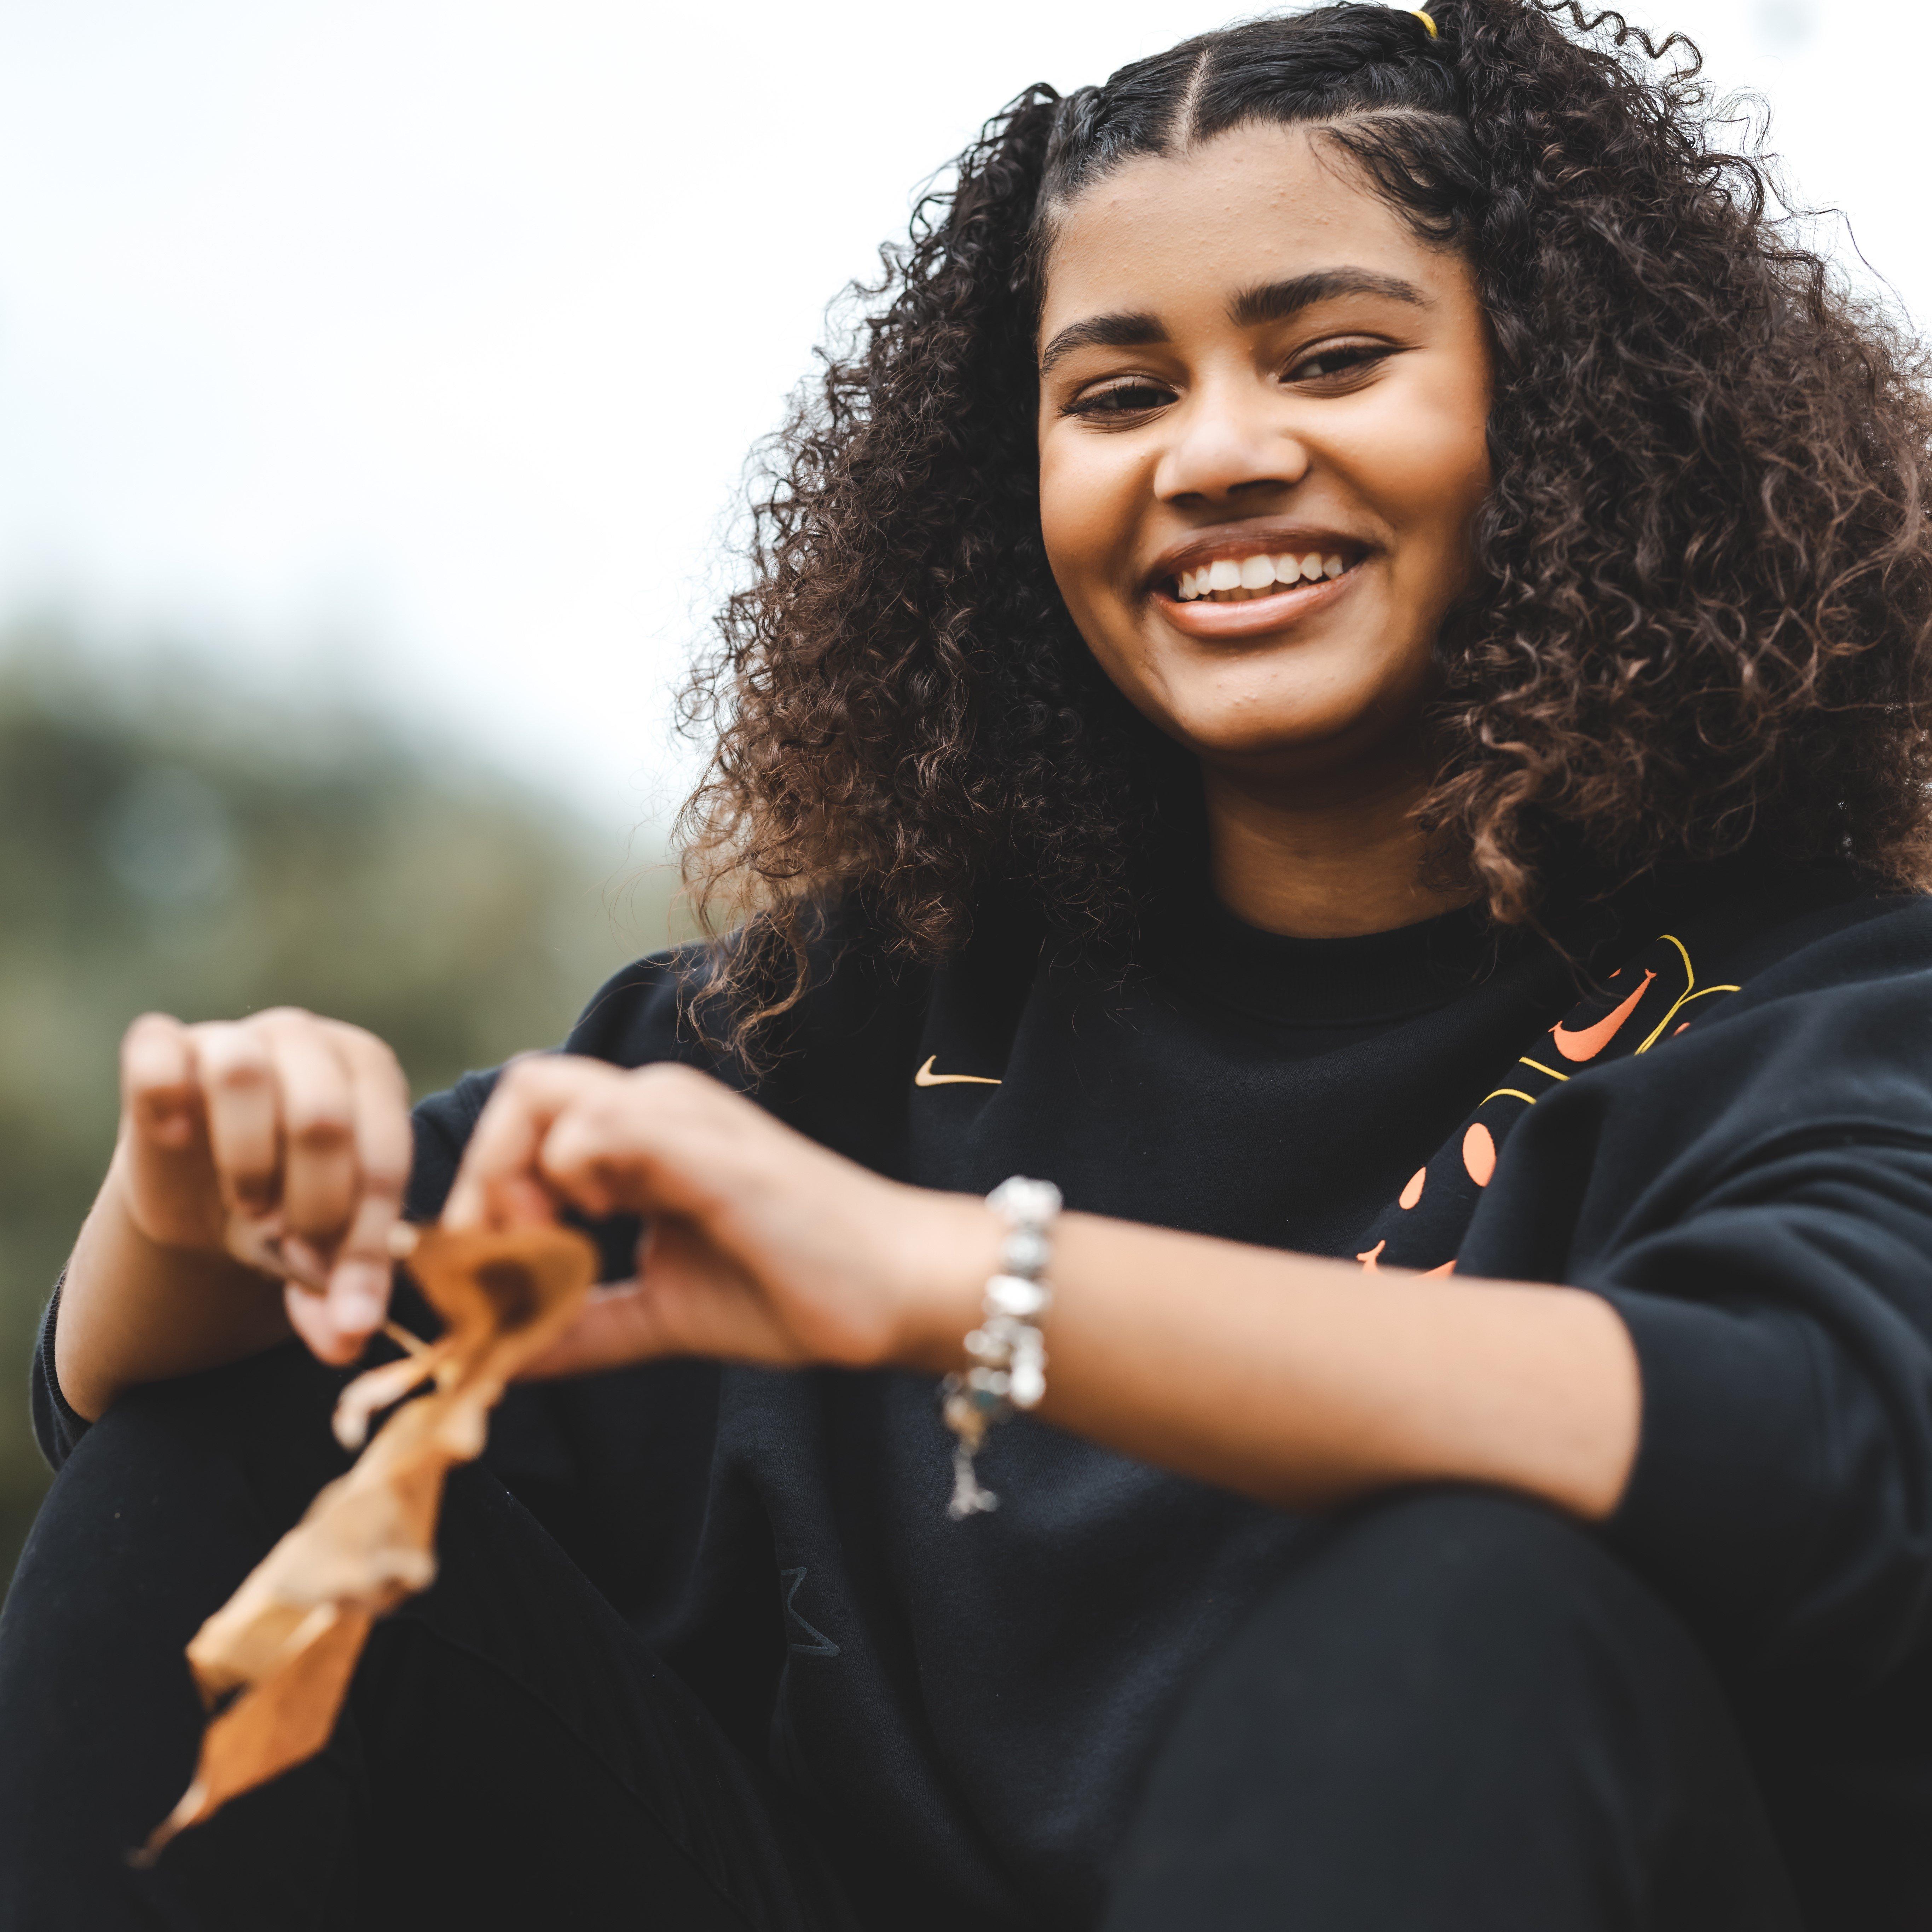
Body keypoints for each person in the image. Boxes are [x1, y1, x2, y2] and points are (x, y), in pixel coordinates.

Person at [5, 2, 1931, 1926]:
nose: (1218, 453)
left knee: (1458, 1591)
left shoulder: (1823, 1008)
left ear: (1577, 405)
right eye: (1116, 395)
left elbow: (1824, 1439)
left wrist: (940, 1277)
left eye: (1331, 357)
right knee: (221, 1459)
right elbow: (145, 1414)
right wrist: (202, 1203)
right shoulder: (817, 1031)